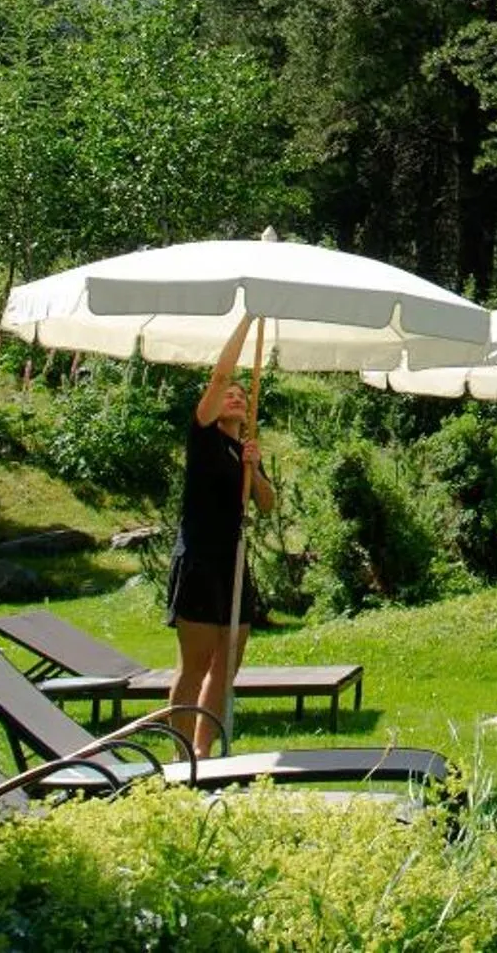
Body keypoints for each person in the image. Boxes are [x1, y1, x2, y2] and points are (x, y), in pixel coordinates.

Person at [168, 314, 277, 752]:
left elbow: (266, 505)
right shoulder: (205, 439)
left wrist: (255, 468)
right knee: (195, 664)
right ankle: (179, 755)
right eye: (227, 395)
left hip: (232, 563)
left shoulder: (243, 451)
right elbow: (219, 376)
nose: (232, 396)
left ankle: (202, 751)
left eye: (239, 396)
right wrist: (249, 320)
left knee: (226, 664)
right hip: (198, 558)